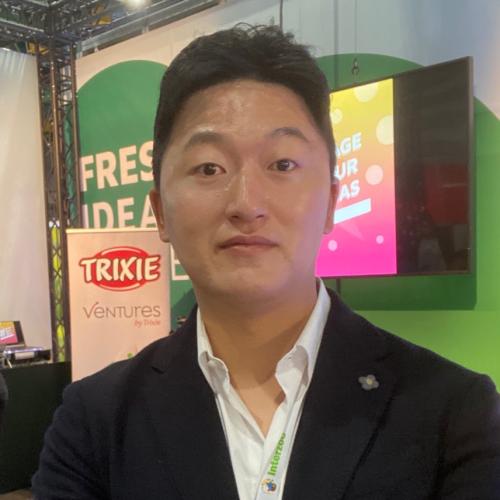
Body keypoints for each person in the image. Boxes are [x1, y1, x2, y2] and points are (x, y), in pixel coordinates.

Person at [32, 25, 500, 499]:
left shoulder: (454, 412)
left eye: (282, 165)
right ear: (160, 212)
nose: (247, 204)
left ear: (332, 203)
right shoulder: (94, 421)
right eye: (209, 168)